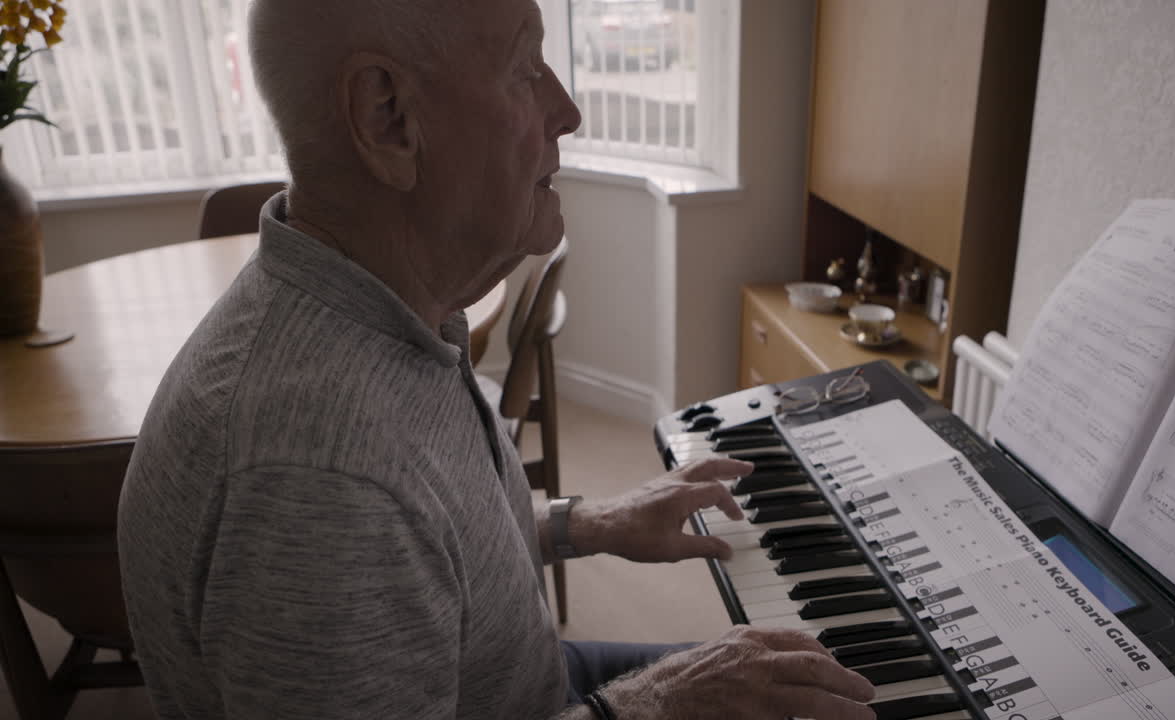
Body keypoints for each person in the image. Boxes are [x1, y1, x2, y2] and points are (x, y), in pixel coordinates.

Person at [116, 1, 877, 718]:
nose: (567, 110)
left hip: (534, 674)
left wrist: (591, 524)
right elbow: (373, 532)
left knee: (829, 677)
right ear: (389, 118)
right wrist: (656, 704)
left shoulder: (394, 309)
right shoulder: (319, 482)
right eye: (525, 67)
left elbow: (434, 556)